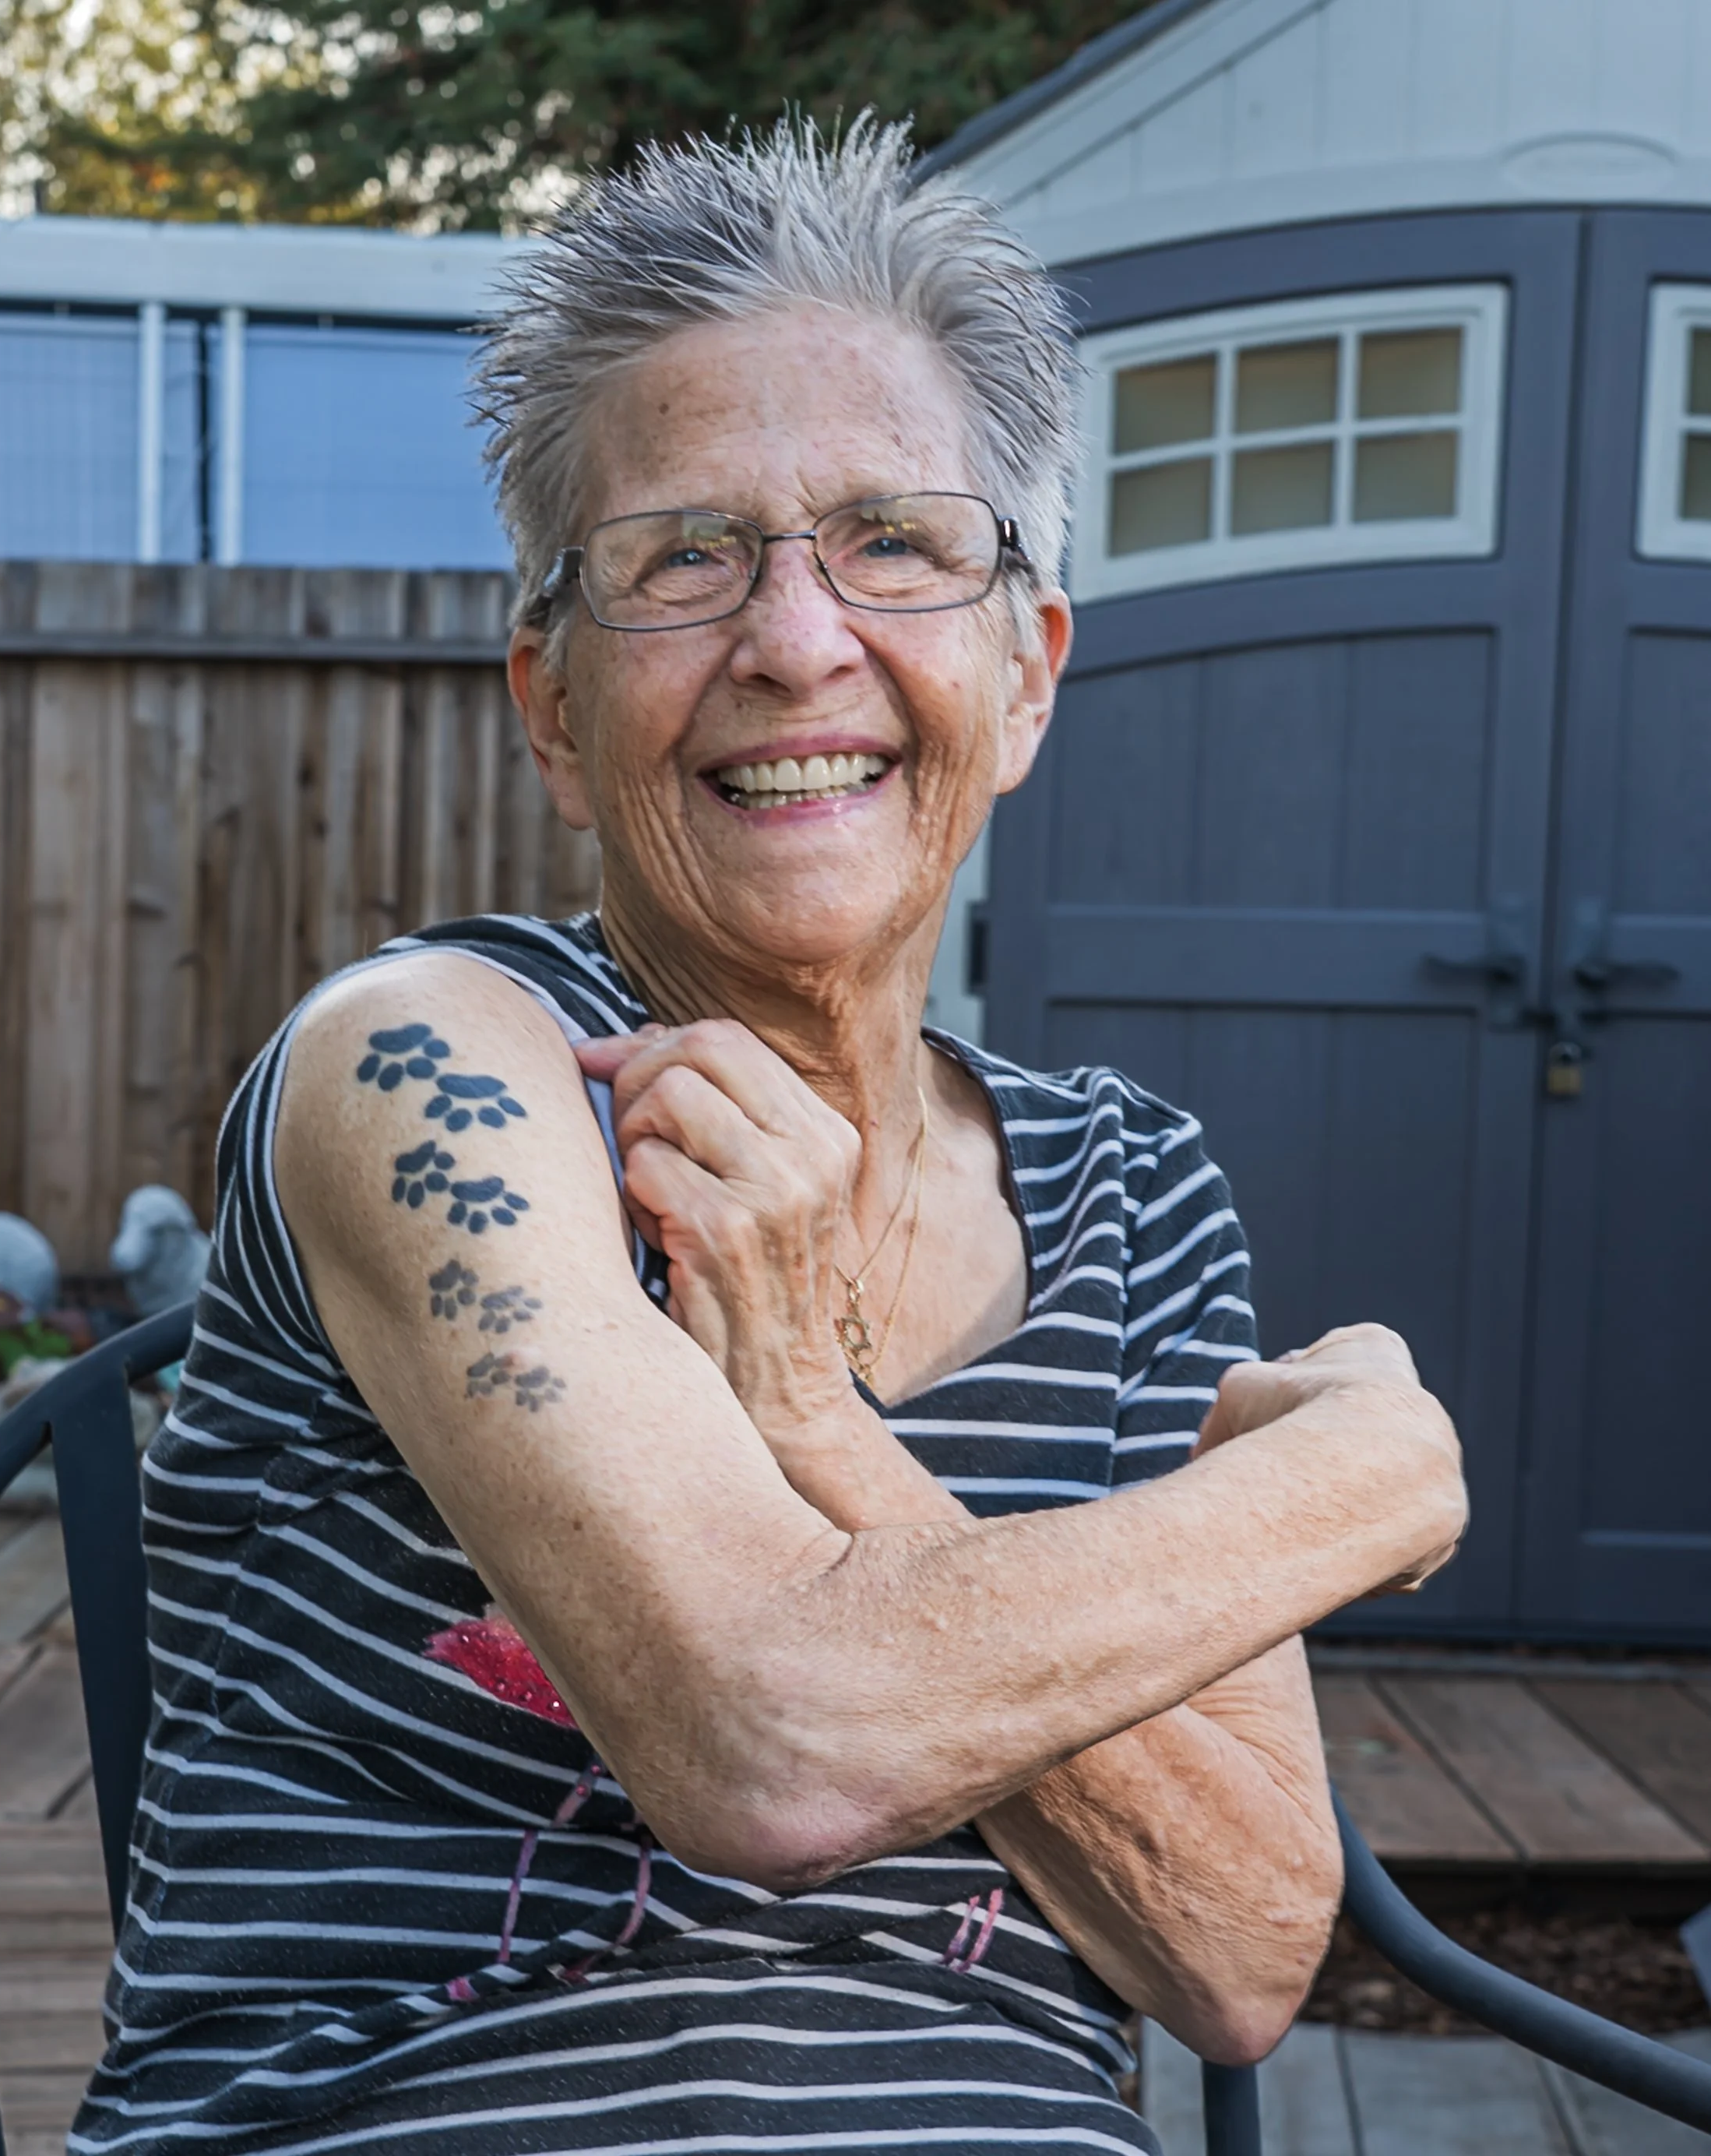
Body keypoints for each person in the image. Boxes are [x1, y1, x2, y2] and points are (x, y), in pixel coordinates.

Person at [72, 119, 1466, 2156]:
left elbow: (1235, 1961)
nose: (796, 639)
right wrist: (1369, 1474)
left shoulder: (1130, 1189)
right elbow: (766, 1746)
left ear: (1023, 674)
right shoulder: (436, 1072)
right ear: (552, 706)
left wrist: (812, 1423)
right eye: (683, 555)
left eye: (896, 542)